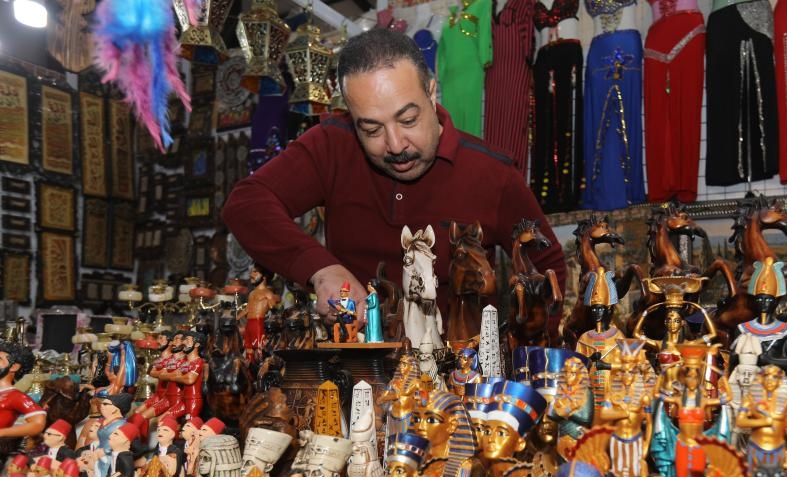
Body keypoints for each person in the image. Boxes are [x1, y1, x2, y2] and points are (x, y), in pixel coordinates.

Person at [221, 28, 566, 334]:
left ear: (432, 94)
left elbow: (548, 265)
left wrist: (531, 355)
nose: (396, 145)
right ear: (352, 118)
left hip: (455, 382)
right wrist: (321, 269)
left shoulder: (494, 174)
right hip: (356, 369)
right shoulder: (332, 144)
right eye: (371, 129)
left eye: (409, 119)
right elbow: (246, 204)